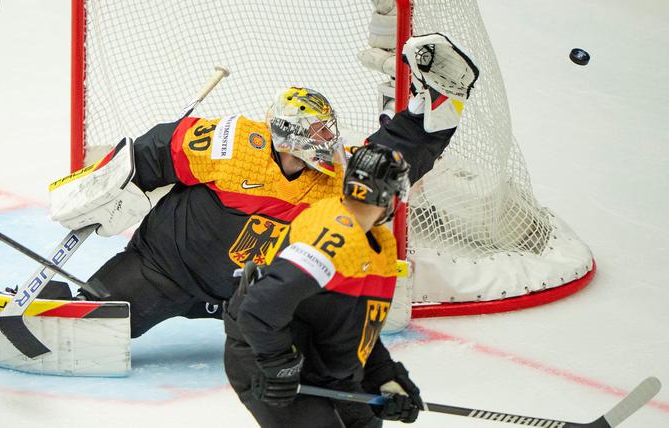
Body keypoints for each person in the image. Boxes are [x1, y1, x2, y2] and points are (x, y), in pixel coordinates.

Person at [50, 33, 480, 339]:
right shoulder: (234, 143)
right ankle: (51, 306)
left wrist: (431, 118)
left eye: (328, 130)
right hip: (165, 269)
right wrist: (108, 184)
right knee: (94, 324)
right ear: (288, 135)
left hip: (255, 294)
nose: (328, 140)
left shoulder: (331, 176)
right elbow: (157, 148)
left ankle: (440, 100)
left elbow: (388, 162)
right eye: (317, 132)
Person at [223, 144, 423, 428]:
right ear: (390, 197)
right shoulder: (332, 233)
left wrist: (383, 376)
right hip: (263, 354)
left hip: (316, 361)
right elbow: (259, 308)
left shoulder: (378, 243)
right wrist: (280, 367)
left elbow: (355, 324)